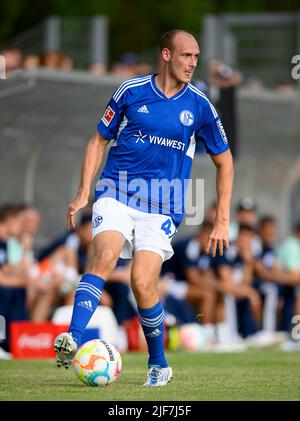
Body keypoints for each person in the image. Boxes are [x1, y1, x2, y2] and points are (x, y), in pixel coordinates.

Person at [54, 29, 234, 386]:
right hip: (117, 191)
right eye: (186, 56)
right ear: (166, 55)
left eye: (196, 57)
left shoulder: (200, 105)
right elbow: (98, 140)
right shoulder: (131, 91)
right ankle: (73, 337)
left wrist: (222, 221)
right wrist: (83, 192)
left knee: (142, 282)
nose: (193, 63)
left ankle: (158, 362)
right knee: (104, 255)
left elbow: (225, 162)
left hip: (163, 206)